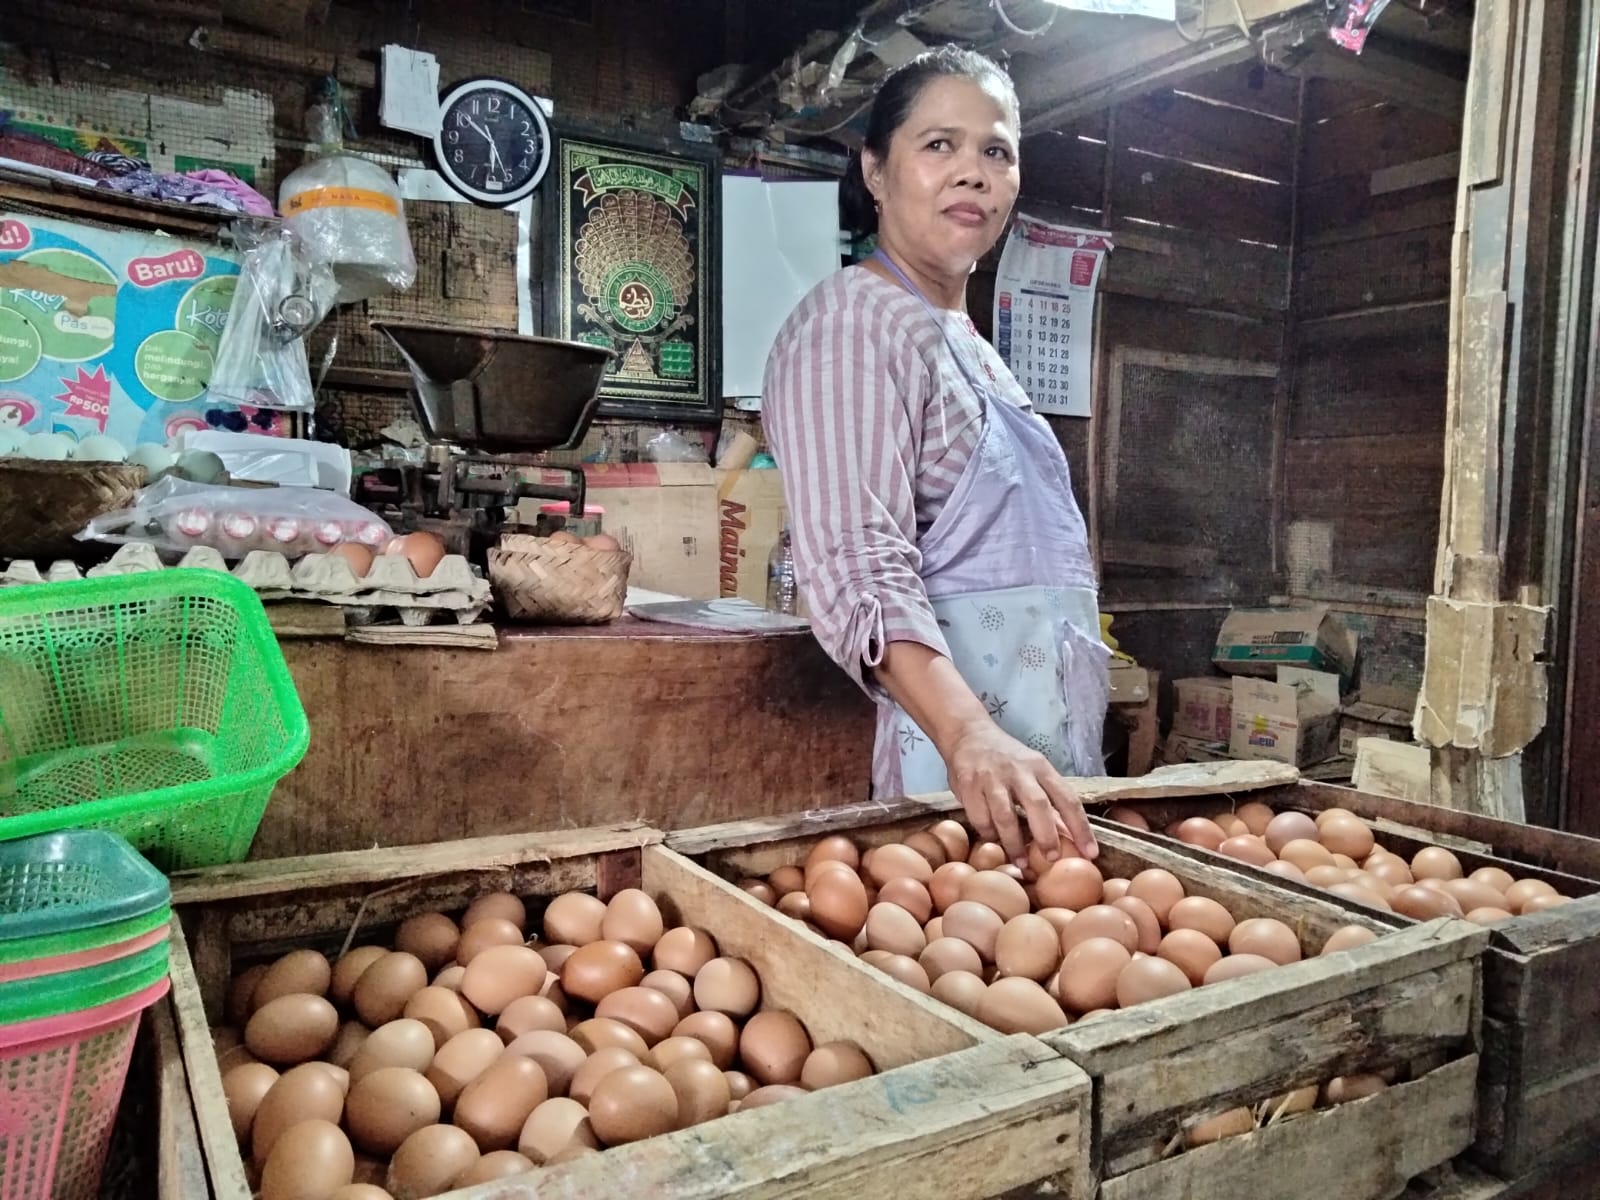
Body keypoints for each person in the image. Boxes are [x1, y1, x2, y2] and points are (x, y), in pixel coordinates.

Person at [762, 46, 1107, 869]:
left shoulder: (965, 341)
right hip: (952, 771)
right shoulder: (854, 326)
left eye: (997, 151)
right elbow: (858, 565)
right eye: (939, 145)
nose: (974, 174)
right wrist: (970, 735)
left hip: (1033, 758)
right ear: (876, 172)